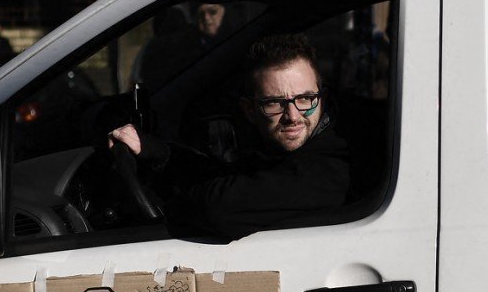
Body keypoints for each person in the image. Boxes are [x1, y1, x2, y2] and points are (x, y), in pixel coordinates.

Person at [107, 34, 350, 239]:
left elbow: (218, 208)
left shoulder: (331, 166)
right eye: (274, 103)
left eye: (305, 98)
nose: (293, 115)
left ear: (322, 98)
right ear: (249, 110)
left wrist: (165, 206)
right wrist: (156, 151)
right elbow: (230, 177)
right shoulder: (281, 151)